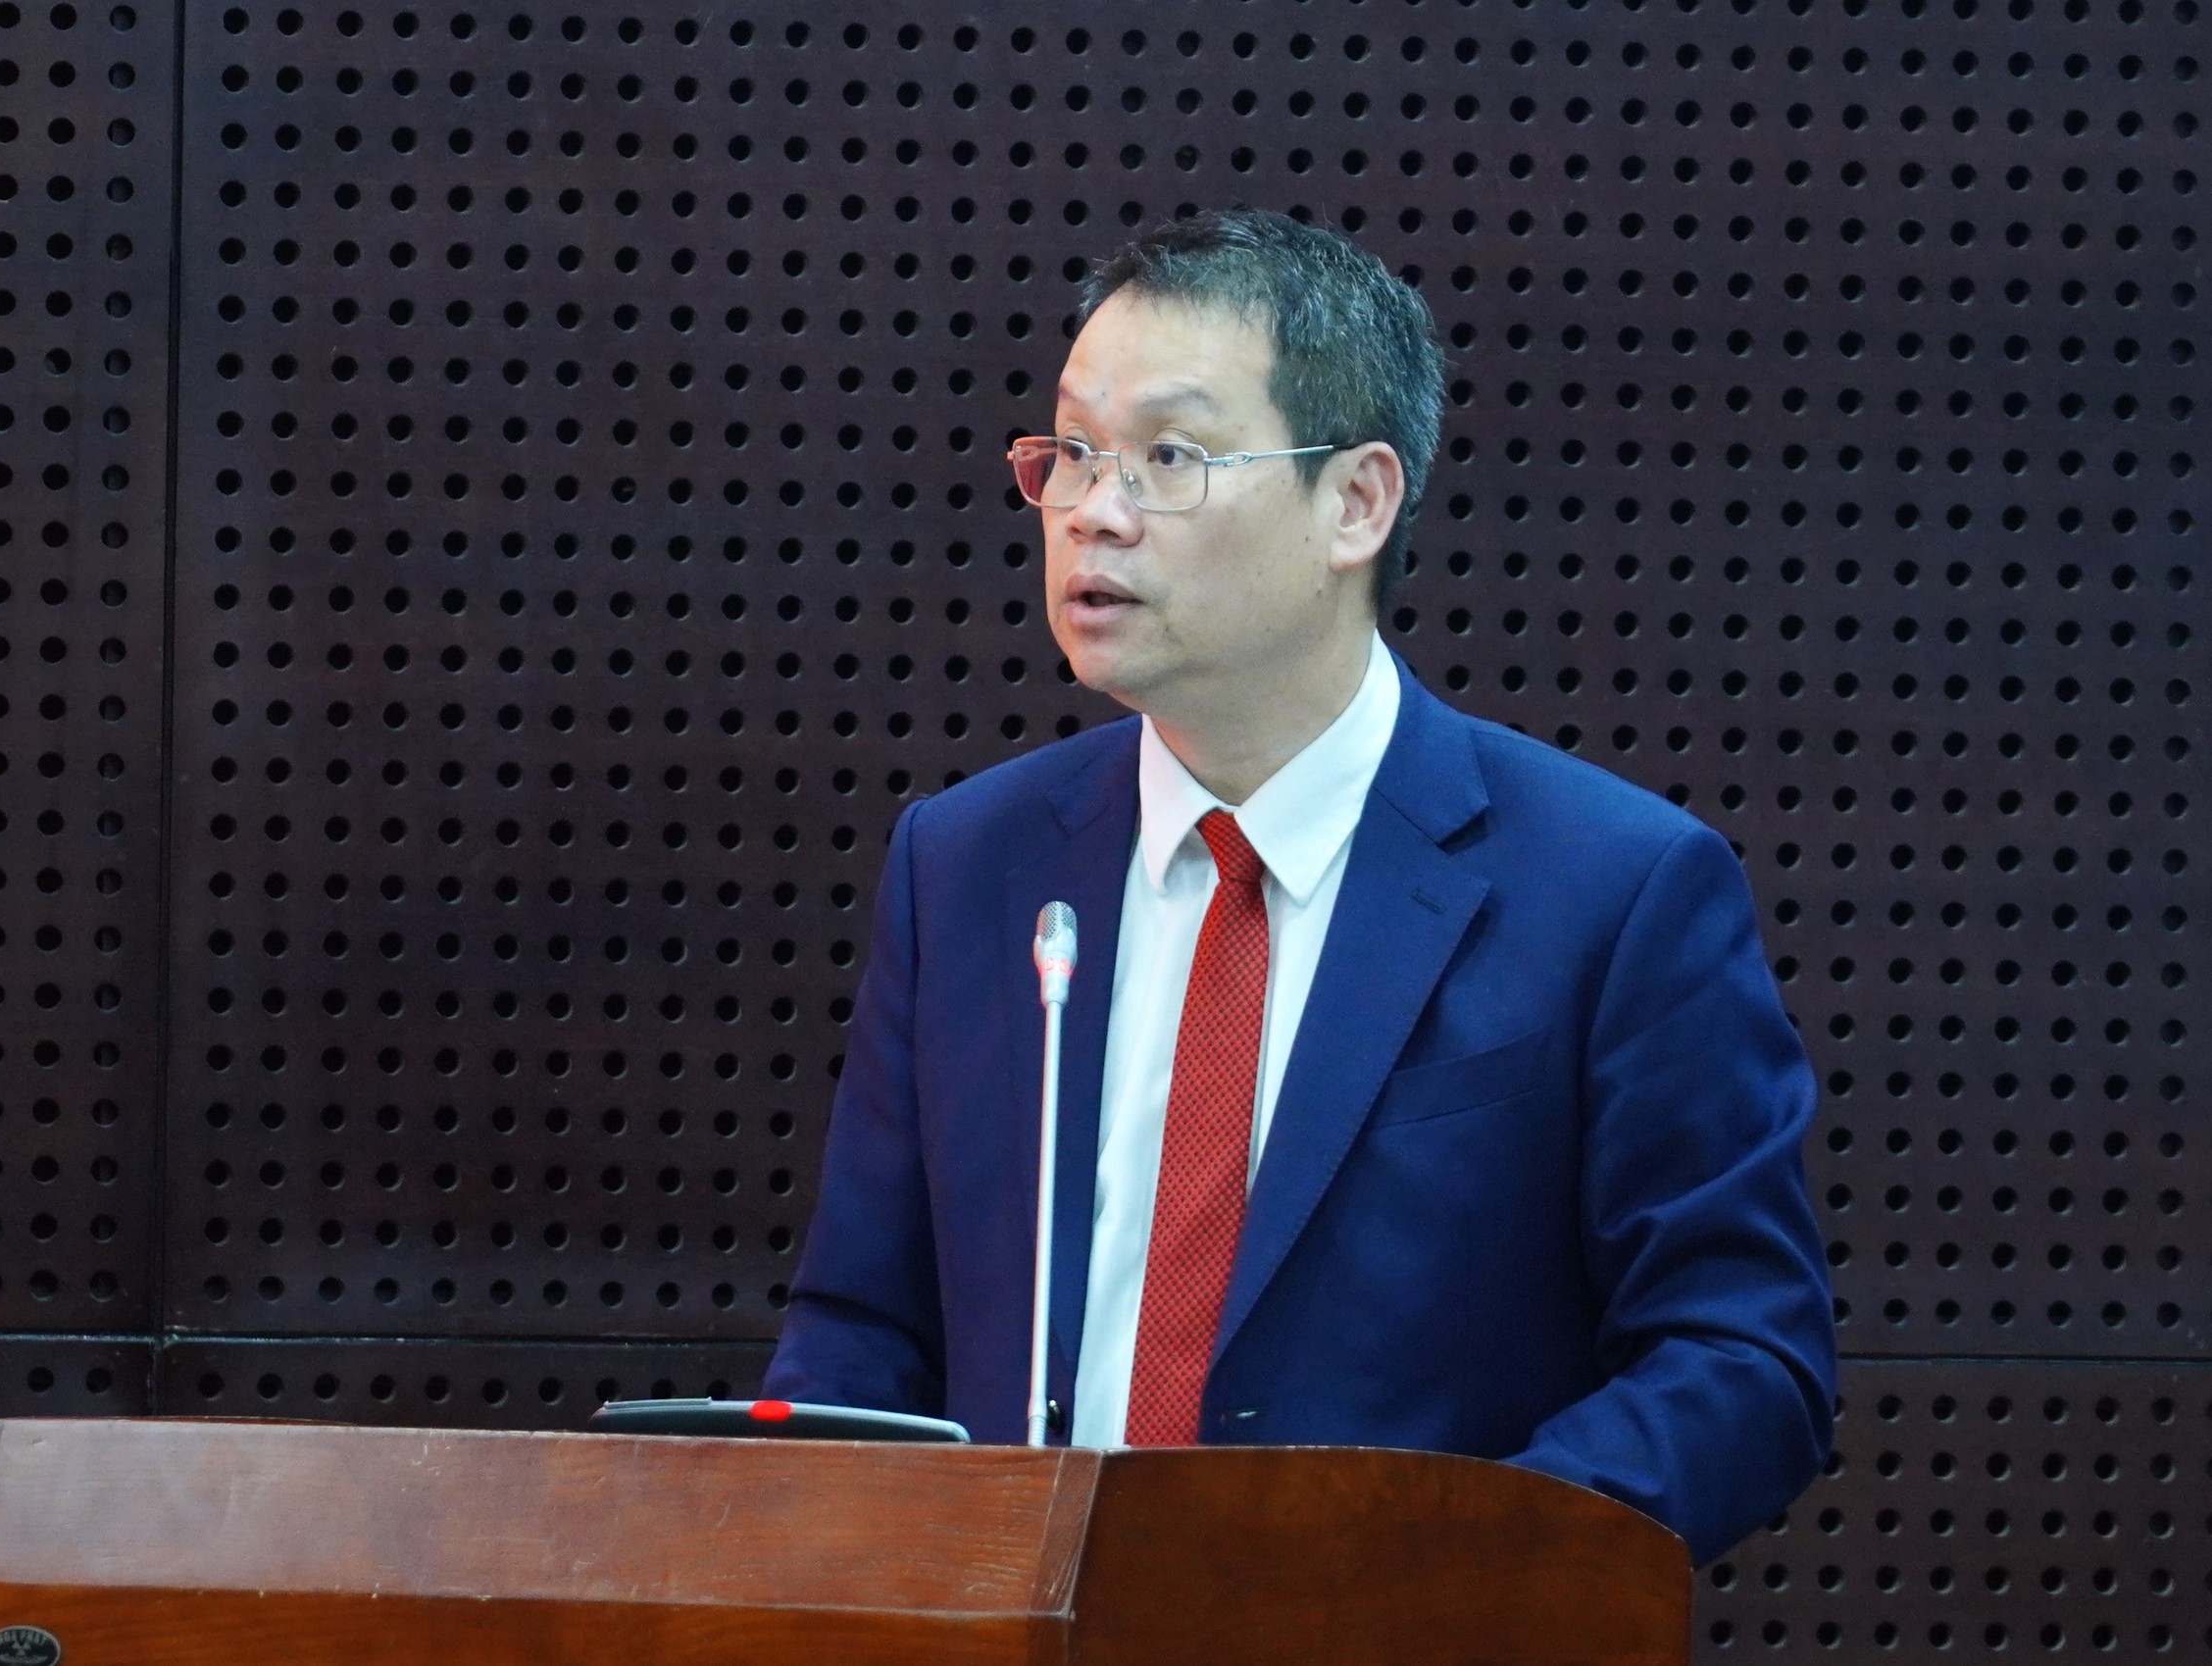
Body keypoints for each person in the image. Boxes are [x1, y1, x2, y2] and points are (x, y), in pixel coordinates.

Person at [762, 207, 1835, 1563]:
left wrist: (1428, 1582)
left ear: (1356, 504)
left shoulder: (1613, 892)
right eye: (1072, 452)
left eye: (1170, 456)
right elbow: (863, 1329)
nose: (1094, 511)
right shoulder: (968, 867)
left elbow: (1741, 1361)